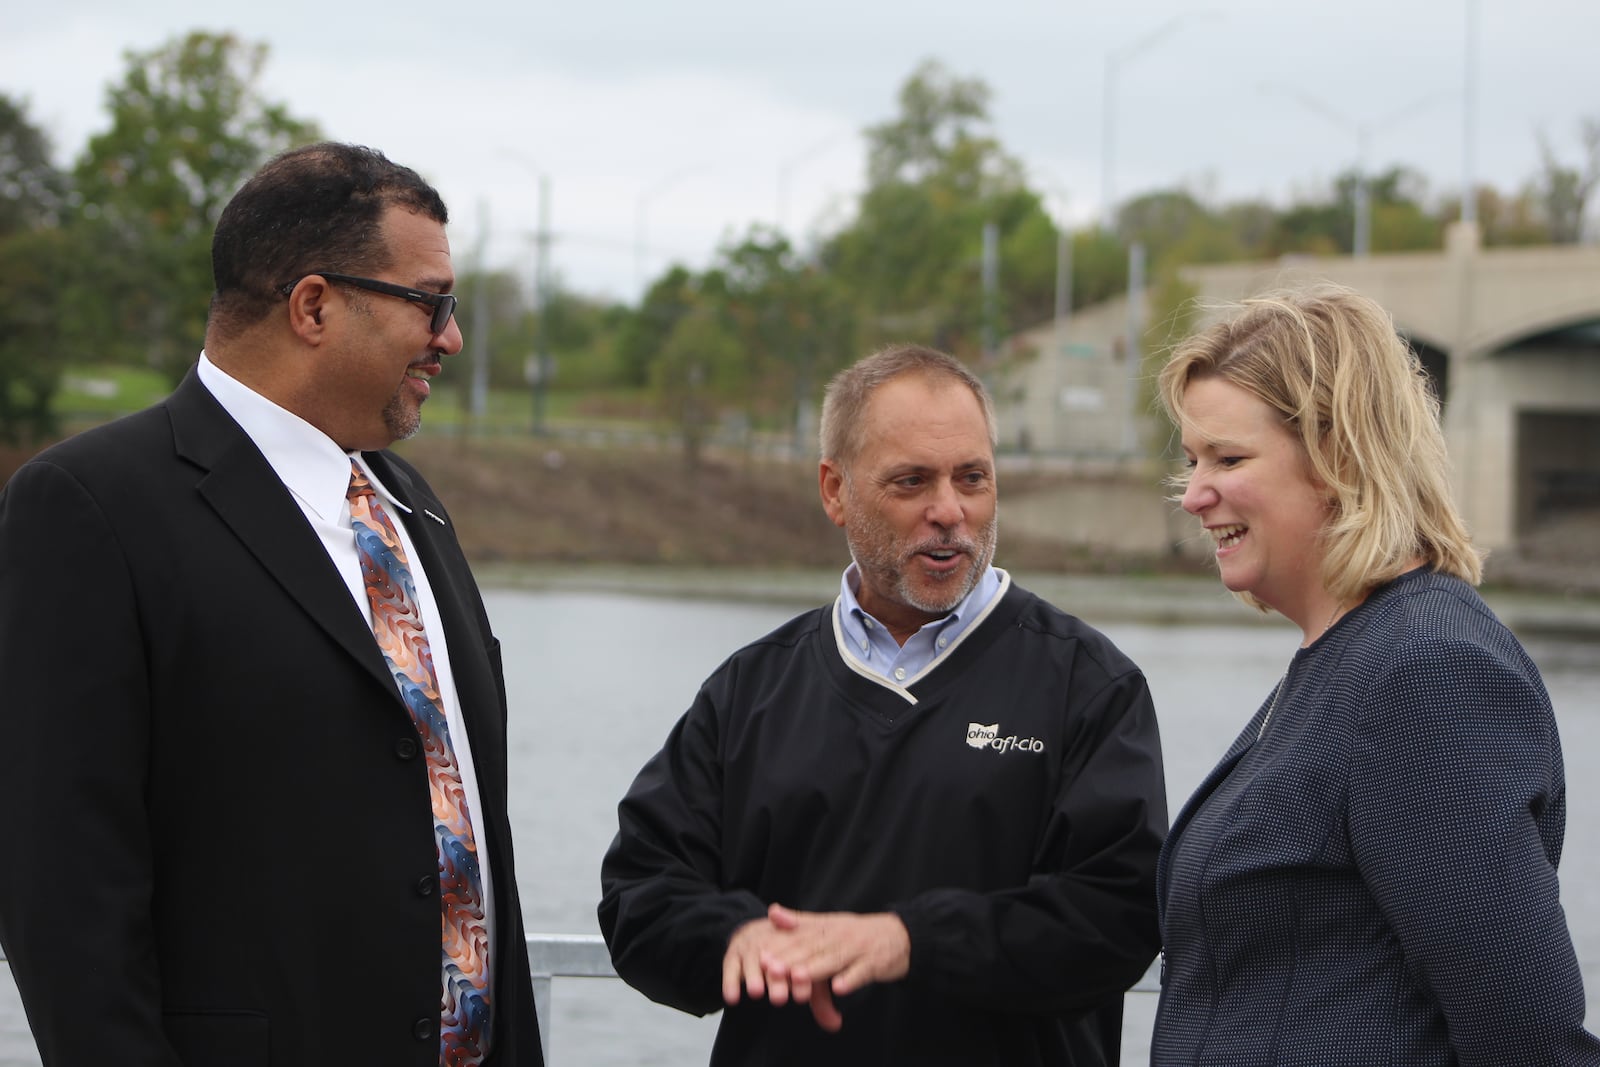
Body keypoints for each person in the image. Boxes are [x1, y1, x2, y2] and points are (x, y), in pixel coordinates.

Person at [0, 143, 543, 1066]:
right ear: (315, 305)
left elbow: (467, 832)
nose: (450, 337)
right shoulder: (91, 505)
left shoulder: (411, 505)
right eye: (433, 302)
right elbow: (61, 890)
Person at [598, 344, 1167, 1066]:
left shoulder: (1089, 685)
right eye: (911, 481)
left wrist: (911, 940)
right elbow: (641, 892)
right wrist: (733, 937)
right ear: (834, 490)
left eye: (972, 478)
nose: (949, 511)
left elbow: (1120, 913)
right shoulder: (751, 690)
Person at [1151, 284, 1600, 1065]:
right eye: (1192, 460)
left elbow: (1528, 1036)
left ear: (1340, 456)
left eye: (1228, 458)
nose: (1193, 495)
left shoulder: (1425, 671)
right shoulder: (1348, 656)